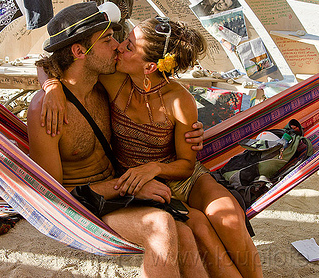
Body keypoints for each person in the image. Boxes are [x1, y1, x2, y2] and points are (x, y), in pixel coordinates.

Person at [39, 14, 263, 277]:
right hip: (139, 186)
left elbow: (186, 166)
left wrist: (153, 168)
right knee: (199, 226)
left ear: (149, 68)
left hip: (181, 177)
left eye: (129, 46)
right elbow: (53, 63)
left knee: (228, 218)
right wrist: (51, 85)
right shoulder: (112, 80)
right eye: (123, 40)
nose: (119, 47)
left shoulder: (179, 100)